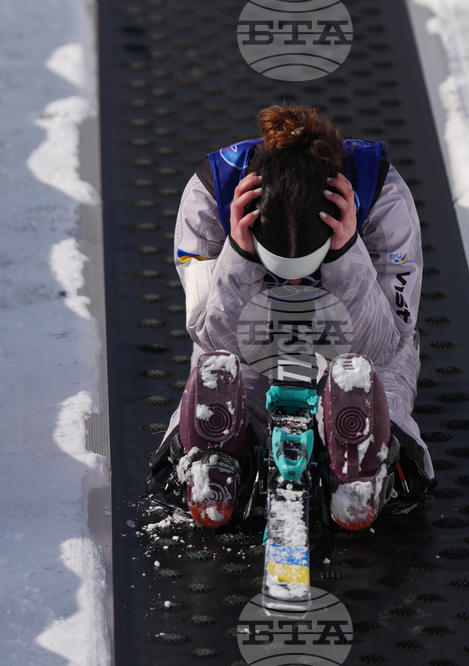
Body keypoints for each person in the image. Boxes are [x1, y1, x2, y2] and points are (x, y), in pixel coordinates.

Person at [146, 104, 436, 530]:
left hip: (357, 343)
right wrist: (240, 259)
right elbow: (212, 336)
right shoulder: (208, 196)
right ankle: (214, 462)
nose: (297, 286)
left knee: (367, 380)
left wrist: (346, 257)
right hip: (248, 343)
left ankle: (365, 467)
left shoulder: (383, 197)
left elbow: (386, 340)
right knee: (219, 373)